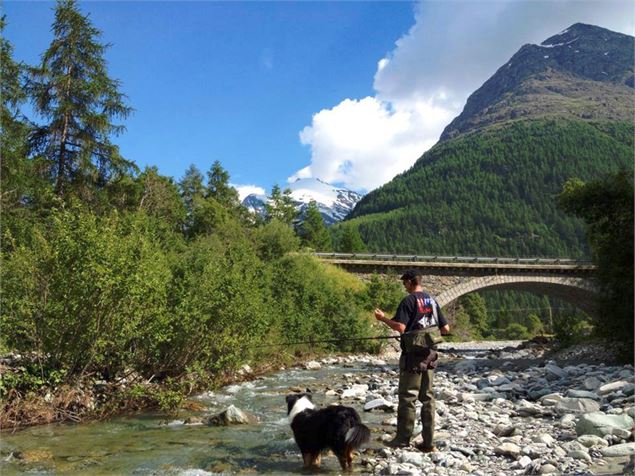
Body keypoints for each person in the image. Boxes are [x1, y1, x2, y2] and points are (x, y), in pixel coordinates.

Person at [374, 269, 450, 452]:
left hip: (413, 357)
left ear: (409, 282)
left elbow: (400, 327)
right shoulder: (432, 300)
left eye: (404, 283)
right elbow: (445, 329)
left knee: (408, 398)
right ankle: (428, 442)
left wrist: (383, 318)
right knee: (427, 398)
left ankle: (402, 439)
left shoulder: (408, 301)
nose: (404, 286)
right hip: (431, 355)